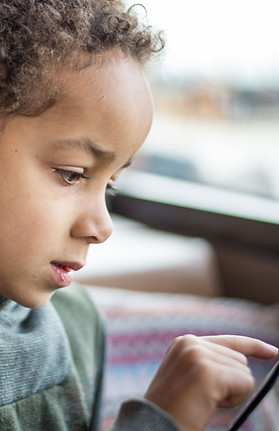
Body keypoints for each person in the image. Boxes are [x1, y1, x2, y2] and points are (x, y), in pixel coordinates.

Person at [0, 1, 277, 430]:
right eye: (72, 175)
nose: (101, 226)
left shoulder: (77, 324)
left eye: (110, 186)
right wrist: (158, 420)